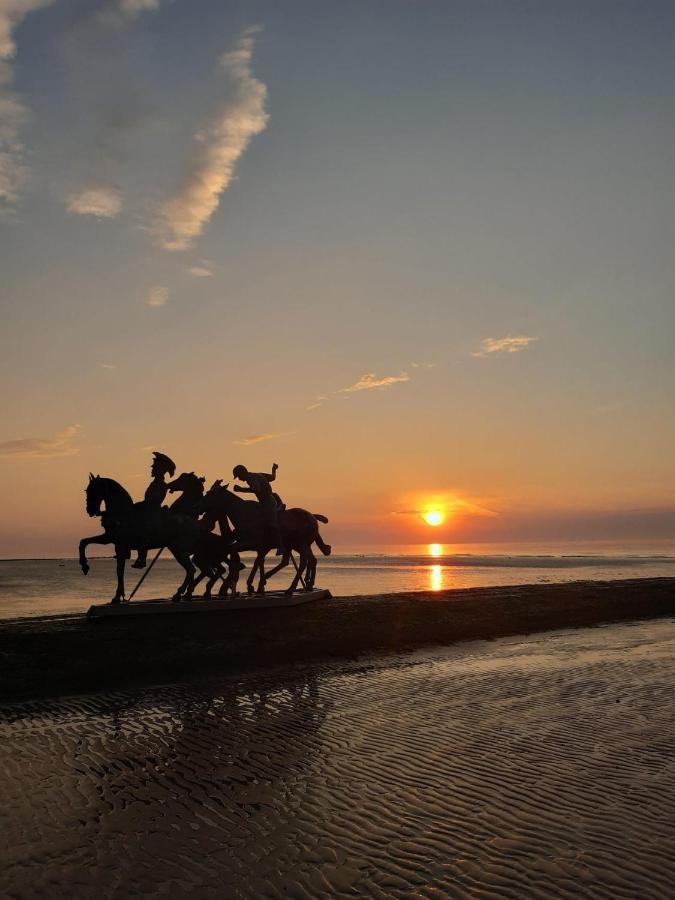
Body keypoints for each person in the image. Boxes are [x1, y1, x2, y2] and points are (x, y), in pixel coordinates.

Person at [132, 451, 176, 568]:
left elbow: (154, 501)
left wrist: (139, 504)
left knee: (143, 529)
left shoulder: (161, 484)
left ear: (160, 470)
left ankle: (142, 559)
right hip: (147, 511)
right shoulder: (154, 483)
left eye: (154, 467)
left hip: (153, 513)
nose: (152, 469)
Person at [232, 463, 284, 548]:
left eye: (238, 476)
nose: (239, 479)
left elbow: (256, 489)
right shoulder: (258, 474)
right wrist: (274, 469)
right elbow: (272, 477)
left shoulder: (250, 478)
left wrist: (241, 489)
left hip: (268, 502)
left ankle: (280, 546)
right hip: (264, 502)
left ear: (242, 473)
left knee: (271, 523)